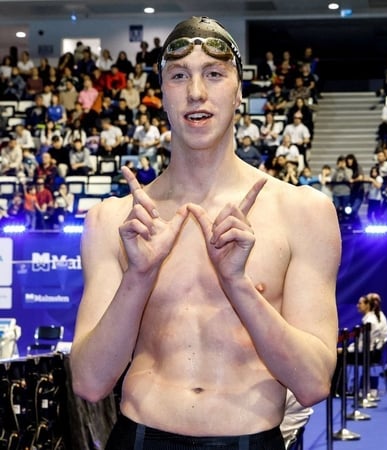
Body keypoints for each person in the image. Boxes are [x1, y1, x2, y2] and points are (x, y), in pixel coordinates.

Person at [70, 16, 341, 449]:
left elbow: (312, 384)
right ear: (162, 94)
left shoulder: (304, 213)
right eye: (179, 76)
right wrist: (139, 276)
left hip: (250, 437)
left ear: (238, 91)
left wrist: (238, 283)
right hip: (140, 436)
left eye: (214, 74)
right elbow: (88, 382)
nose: (196, 92)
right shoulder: (115, 221)